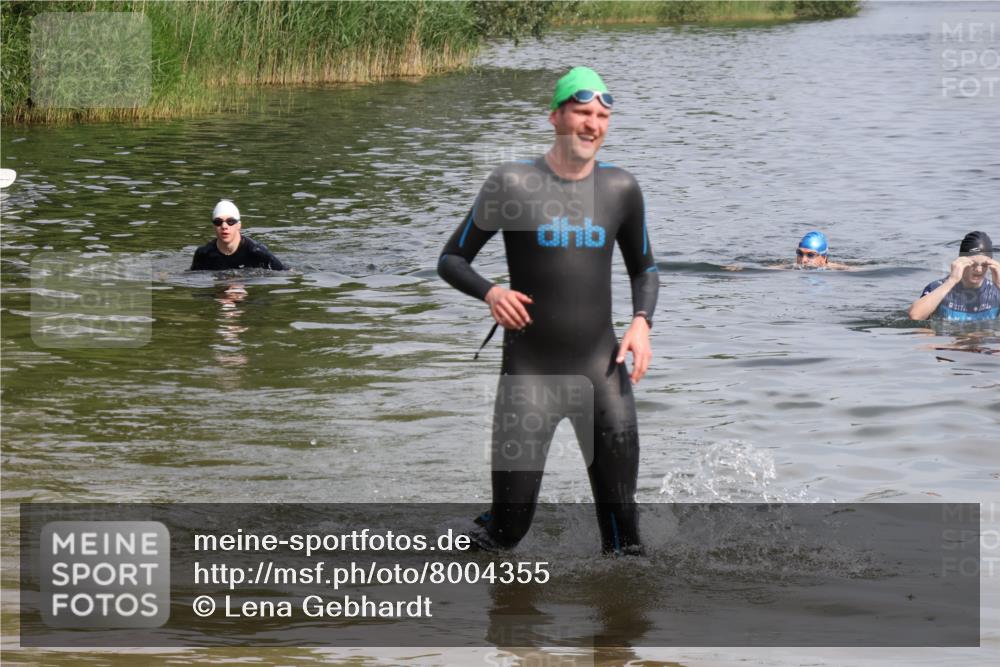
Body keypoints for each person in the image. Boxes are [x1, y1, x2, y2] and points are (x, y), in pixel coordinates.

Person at [438, 67, 659, 555]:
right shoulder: (512, 184)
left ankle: (618, 628)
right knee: (507, 532)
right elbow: (451, 259)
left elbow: (645, 269)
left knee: (625, 540)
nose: (593, 124)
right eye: (582, 112)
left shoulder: (622, 190)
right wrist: (491, 293)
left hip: (603, 372)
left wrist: (641, 322)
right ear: (555, 117)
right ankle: (439, 562)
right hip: (529, 378)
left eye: (602, 116)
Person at [908, 231, 1000, 321]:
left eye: (984, 265)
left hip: (984, 334)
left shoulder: (995, 291)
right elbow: (915, 316)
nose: (979, 270)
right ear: (960, 261)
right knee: (924, 332)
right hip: (950, 335)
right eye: (973, 264)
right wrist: (952, 280)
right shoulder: (938, 287)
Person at [190, 200, 286, 271]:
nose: (224, 226)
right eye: (218, 222)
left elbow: (285, 272)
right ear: (214, 226)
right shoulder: (203, 253)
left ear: (239, 225)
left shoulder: (257, 252)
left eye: (230, 222)